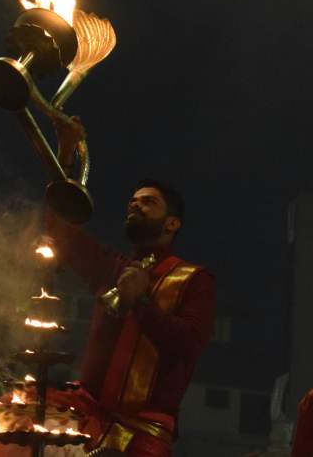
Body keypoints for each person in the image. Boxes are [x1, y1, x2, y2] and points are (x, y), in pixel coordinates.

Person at [46, 116, 215, 457]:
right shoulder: (112, 267)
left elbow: (187, 347)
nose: (135, 204)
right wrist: (64, 158)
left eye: (148, 201)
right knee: (18, 415)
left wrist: (140, 303)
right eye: (133, 201)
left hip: (143, 433)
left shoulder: (194, 280)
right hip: (85, 418)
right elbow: (59, 232)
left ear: (172, 223)